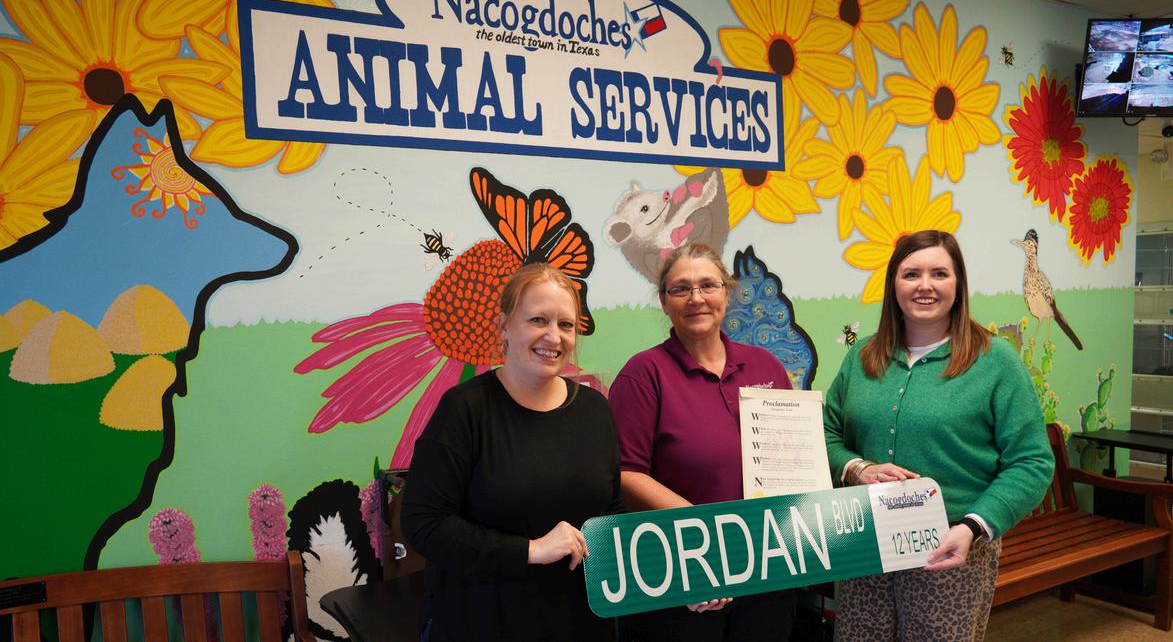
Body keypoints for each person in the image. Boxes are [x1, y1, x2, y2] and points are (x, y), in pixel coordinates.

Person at [823, 230, 1055, 641]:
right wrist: (857, 468)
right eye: (911, 274)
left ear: (958, 283)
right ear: (894, 284)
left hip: (950, 546)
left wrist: (973, 526)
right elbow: (826, 434)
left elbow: (1032, 461)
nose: (925, 286)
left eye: (939, 274)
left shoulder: (995, 362)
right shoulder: (863, 357)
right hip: (866, 541)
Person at [401, 263, 621, 642]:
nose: (553, 336)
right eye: (538, 320)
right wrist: (530, 550)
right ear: (504, 326)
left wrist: (685, 588)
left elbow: (612, 515)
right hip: (483, 622)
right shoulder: (464, 409)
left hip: (579, 623)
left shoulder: (595, 410)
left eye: (566, 324)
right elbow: (425, 523)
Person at [608, 243, 796, 642]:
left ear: (726, 293)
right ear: (664, 302)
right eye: (681, 288)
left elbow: (794, 458)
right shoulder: (643, 375)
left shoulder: (766, 366)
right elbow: (625, 473)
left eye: (708, 285)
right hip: (683, 569)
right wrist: (706, 534)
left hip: (767, 566)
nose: (696, 298)